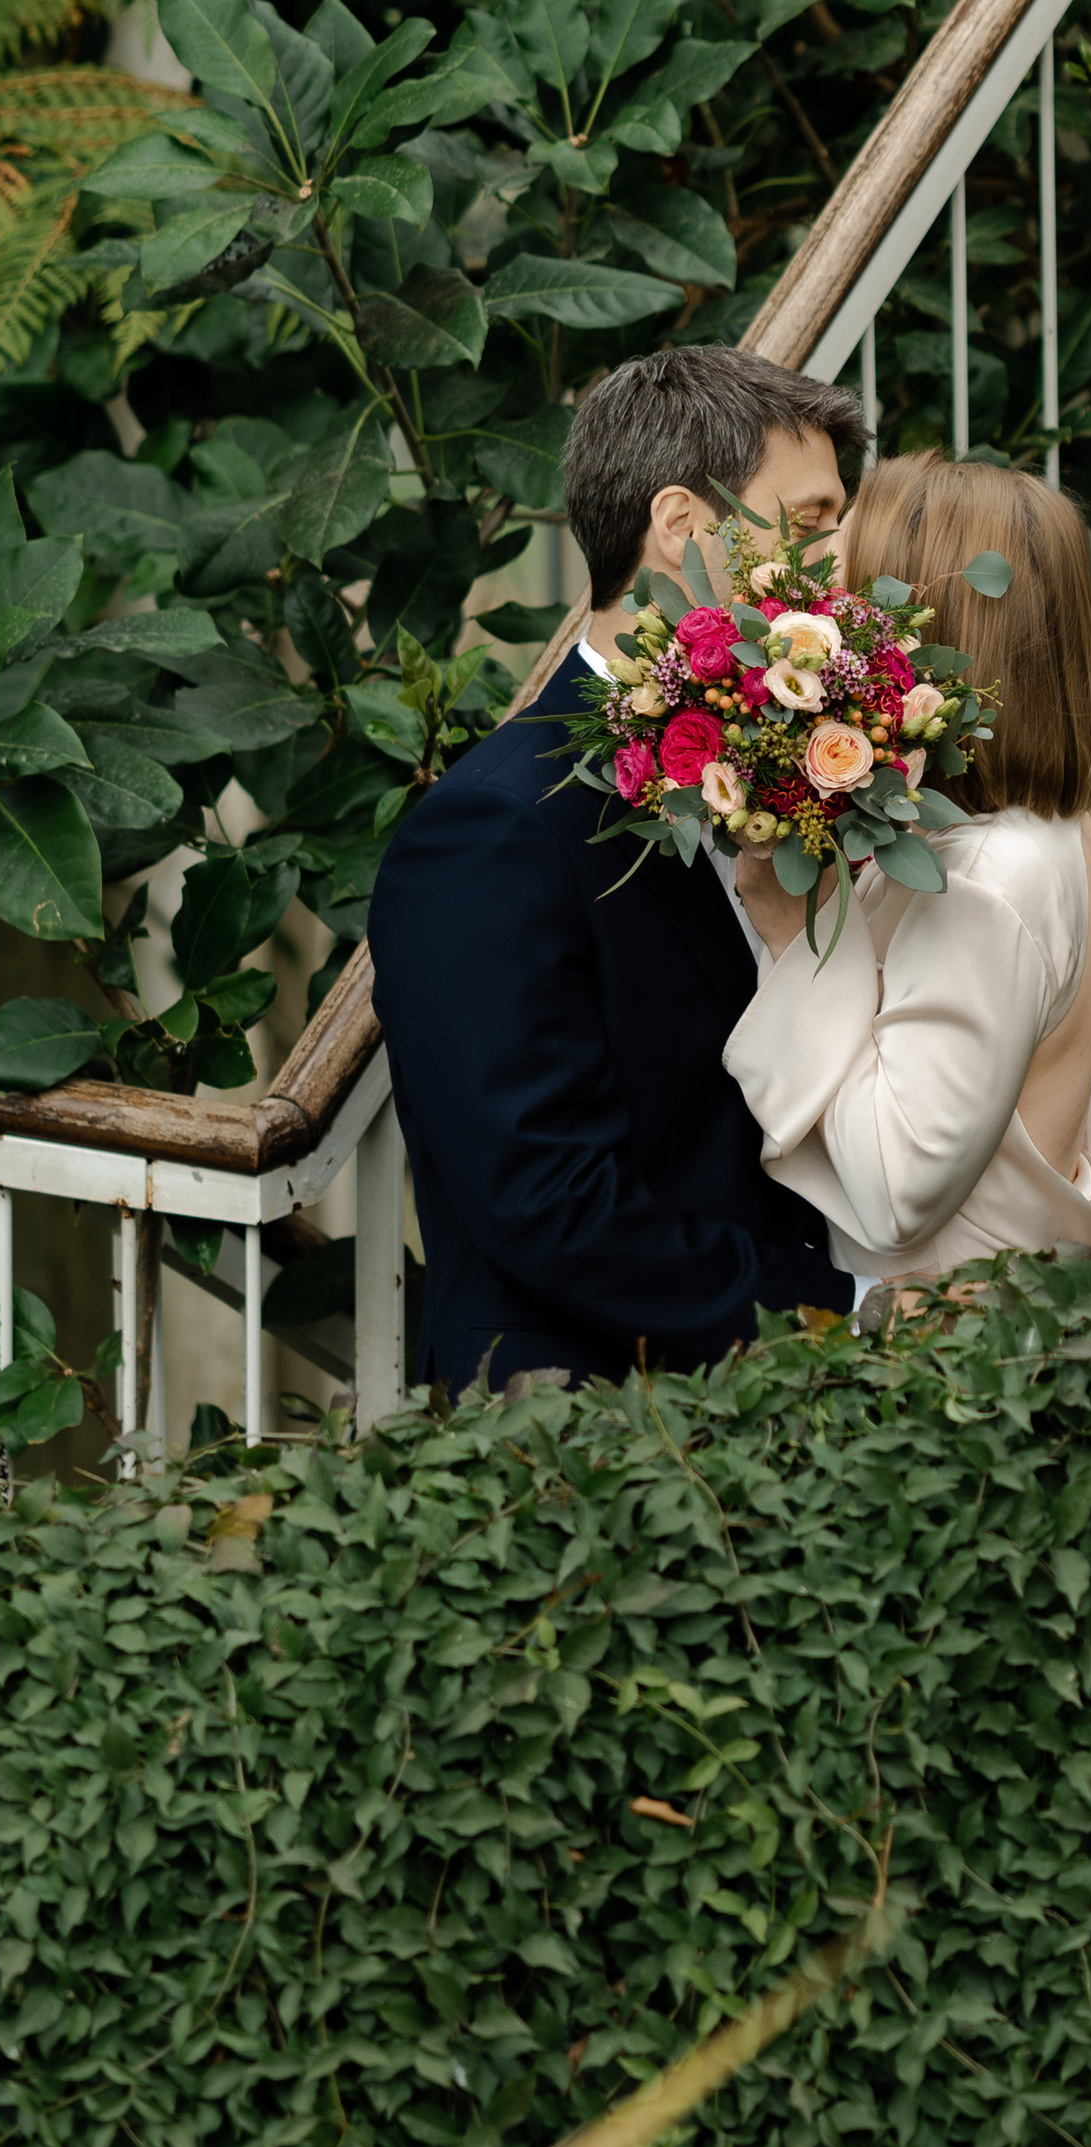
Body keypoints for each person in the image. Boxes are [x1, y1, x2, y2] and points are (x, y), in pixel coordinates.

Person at [368, 344, 863, 1397]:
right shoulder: (492, 831)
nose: (839, 562)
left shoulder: (790, 764)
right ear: (680, 525)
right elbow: (549, 1201)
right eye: (811, 522)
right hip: (594, 1419)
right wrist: (842, 1314)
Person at [721, 453, 1091, 1292]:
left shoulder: (985, 878)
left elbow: (897, 1192)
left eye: (851, 592)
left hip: (948, 1333)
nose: (826, 614)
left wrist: (798, 938)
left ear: (925, 635)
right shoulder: (1056, 826)